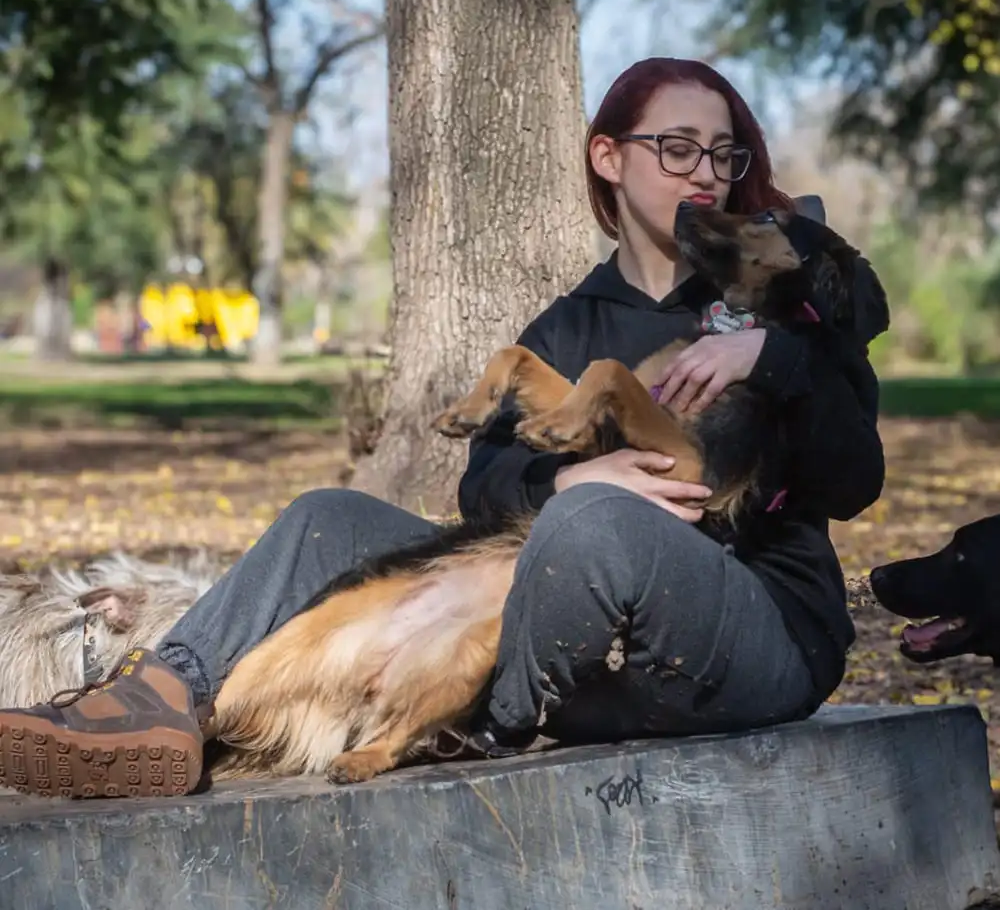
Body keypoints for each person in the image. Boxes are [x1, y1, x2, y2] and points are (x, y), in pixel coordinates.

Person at [0, 57, 889, 800]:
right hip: (573, 639)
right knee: (330, 516)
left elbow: (854, 479)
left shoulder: (772, 292)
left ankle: (476, 723)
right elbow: (484, 488)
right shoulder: (567, 328)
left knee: (594, 528)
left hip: (753, 631)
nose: (706, 172)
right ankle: (160, 699)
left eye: (725, 154)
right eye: (678, 147)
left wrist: (768, 361)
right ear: (610, 158)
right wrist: (563, 481)